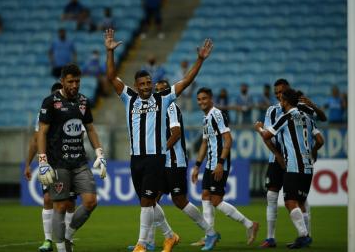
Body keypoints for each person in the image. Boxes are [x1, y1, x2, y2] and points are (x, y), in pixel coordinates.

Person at [105, 28, 213, 252]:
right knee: (148, 202)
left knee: (146, 201)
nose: (146, 87)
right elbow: (110, 77)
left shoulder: (163, 98)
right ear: (136, 86)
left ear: (152, 83)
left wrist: (199, 60)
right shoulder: (129, 98)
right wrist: (110, 53)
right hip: (136, 158)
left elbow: (185, 81)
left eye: (148, 83)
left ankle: (142, 244)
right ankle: (169, 235)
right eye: (142, 84)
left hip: (156, 157)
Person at [128, 80, 219, 251]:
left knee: (180, 201)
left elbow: (176, 133)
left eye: (163, 90)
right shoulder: (154, 108)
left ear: (169, 92)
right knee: (151, 200)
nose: (159, 93)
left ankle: (210, 232)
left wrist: (160, 150)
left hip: (174, 161)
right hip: (161, 163)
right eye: (158, 90)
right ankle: (148, 241)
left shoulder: (170, 108)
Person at [37, 64, 107, 252]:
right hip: (58, 163)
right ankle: (61, 248)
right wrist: (42, 161)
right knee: (60, 207)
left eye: (77, 81)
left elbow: (90, 128)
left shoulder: (83, 101)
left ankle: (67, 235)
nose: (75, 85)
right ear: (62, 81)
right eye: (71, 81)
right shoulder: (50, 102)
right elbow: (42, 133)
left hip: (79, 162)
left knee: (91, 201)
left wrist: (100, 152)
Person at [258, 79, 326, 249]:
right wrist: (312, 151)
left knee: (292, 201)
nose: (278, 97)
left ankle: (304, 235)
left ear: (287, 96)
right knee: (287, 198)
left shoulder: (289, 114)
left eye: (281, 94)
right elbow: (319, 139)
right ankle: (275, 237)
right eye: (276, 94)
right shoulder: (302, 116)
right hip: (296, 162)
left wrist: (258, 128)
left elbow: (266, 134)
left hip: (293, 163)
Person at [191, 87, 259, 247]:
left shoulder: (217, 114)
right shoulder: (205, 118)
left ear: (211, 99)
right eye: (199, 99)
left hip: (219, 163)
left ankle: (250, 224)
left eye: (204, 98)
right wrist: (197, 166)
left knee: (215, 200)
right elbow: (205, 143)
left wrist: (221, 163)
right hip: (209, 164)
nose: (201, 102)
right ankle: (209, 235)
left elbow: (228, 140)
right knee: (205, 196)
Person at [24, 82, 77, 252]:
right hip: (50, 164)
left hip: (69, 163)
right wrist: (28, 164)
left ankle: (68, 238)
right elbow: (35, 140)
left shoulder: (73, 112)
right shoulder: (43, 115)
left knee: (69, 203)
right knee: (48, 199)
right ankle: (48, 240)